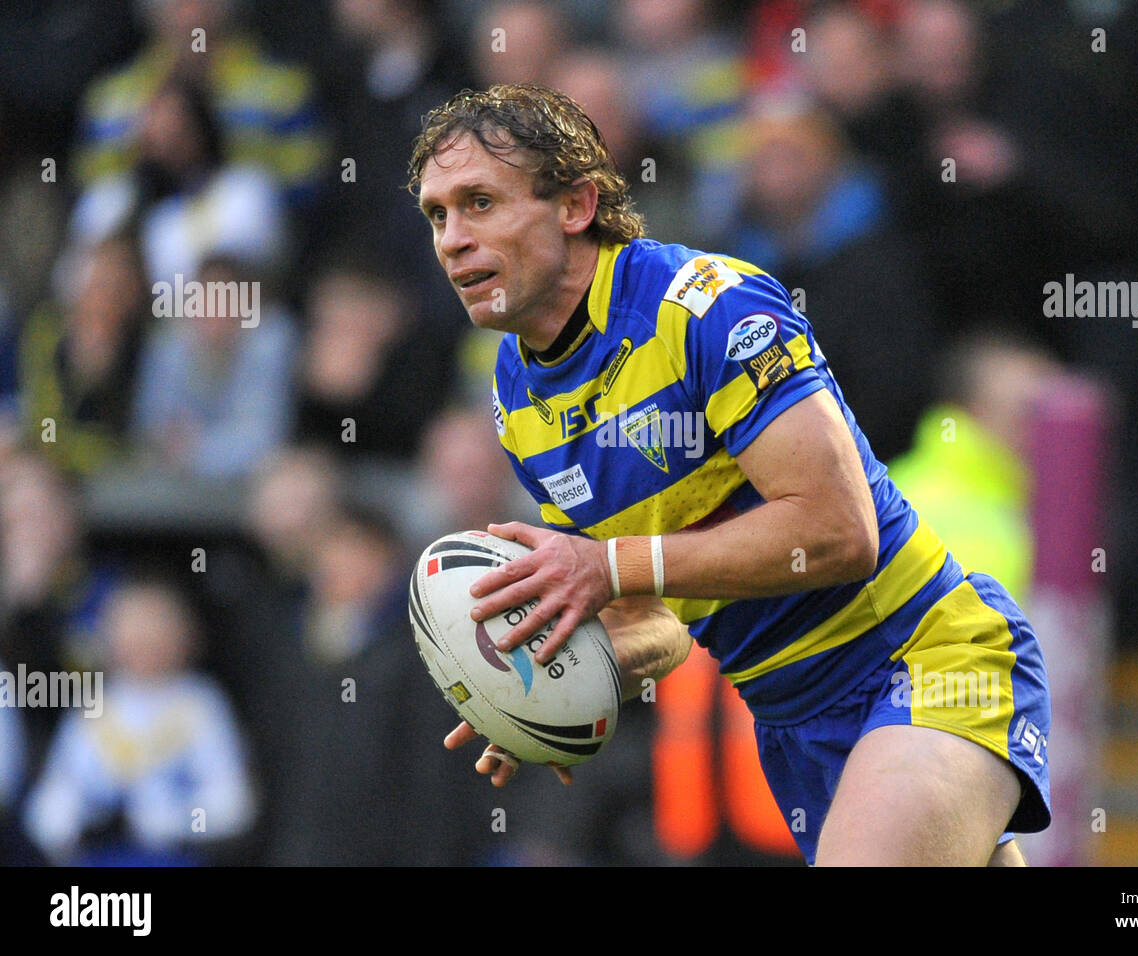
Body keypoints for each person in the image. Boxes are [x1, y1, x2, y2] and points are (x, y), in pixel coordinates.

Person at [407, 84, 1051, 866]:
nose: (452, 239)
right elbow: (662, 613)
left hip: (918, 660)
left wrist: (606, 566)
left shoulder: (706, 308)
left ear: (576, 205)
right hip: (792, 725)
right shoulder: (516, 395)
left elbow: (838, 531)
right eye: (437, 214)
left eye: (479, 202)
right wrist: (552, 691)